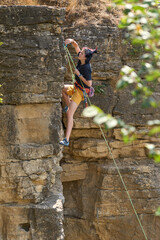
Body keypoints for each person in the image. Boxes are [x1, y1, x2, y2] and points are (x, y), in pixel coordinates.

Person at [59, 38, 97, 146]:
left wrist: (79, 74)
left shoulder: (86, 68)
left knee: (70, 115)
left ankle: (66, 139)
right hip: (76, 87)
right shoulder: (81, 59)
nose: (80, 53)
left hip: (80, 93)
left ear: (85, 57)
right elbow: (76, 46)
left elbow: (89, 84)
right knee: (62, 88)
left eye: (82, 53)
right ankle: (67, 105)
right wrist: (69, 41)